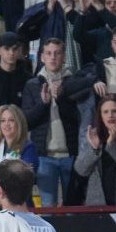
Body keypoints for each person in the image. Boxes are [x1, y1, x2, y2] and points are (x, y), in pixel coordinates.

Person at [23, 38, 89, 206]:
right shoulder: (32, 85)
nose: (53, 57)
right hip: (45, 156)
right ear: (42, 57)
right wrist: (43, 104)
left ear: (64, 57)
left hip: (71, 155)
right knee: (48, 208)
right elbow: (27, 121)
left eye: (57, 53)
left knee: (72, 207)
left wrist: (60, 99)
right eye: (49, 53)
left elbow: (79, 118)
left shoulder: (73, 83)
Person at [0, 105, 38, 210]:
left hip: (19, 207)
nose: (6, 124)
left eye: (11, 120)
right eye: (3, 120)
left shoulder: (28, 147)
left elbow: (25, 177)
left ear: (19, 123)